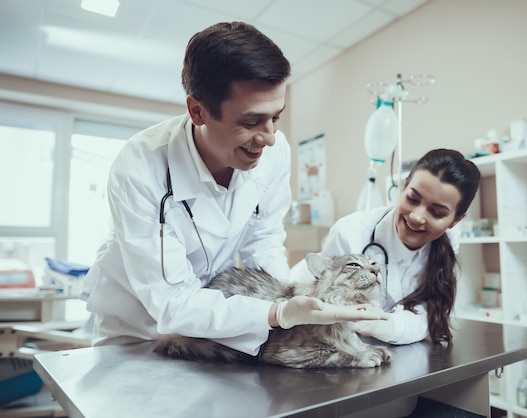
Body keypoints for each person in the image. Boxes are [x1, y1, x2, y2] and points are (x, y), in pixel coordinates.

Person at [80, 22, 387, 353]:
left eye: (276, 117)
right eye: (250, 122)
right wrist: (278, 312)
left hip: (219, 322)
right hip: (139, 328)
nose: (268, 138)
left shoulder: (274, 149)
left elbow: (264, 239)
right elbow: (172, 302)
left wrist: (289, 299)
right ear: (198, 111)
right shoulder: (140, 170)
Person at [291, 148, 482, 417]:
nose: (417, 216)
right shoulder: (351, 232)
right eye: (412, 198)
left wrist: (382, 323)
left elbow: (427, 317)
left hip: (390, 372)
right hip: (336, 371)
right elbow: (323, 313)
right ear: (403, 188)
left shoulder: (449, 242)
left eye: (437, 212)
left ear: (456, 220)